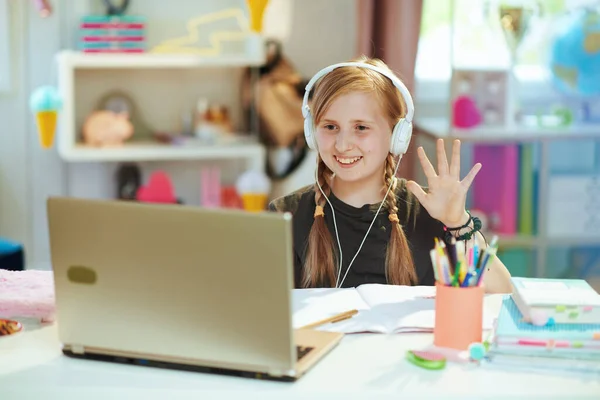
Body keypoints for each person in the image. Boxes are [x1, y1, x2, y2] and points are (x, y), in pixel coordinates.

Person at [268, 56, 512, 294]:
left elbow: (502, 292)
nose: (342, 145)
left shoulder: (432, 211)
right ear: (312, 132)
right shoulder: (284, 216)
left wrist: (459, 222)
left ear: (397, 135)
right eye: (330, 127)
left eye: (361, 128)